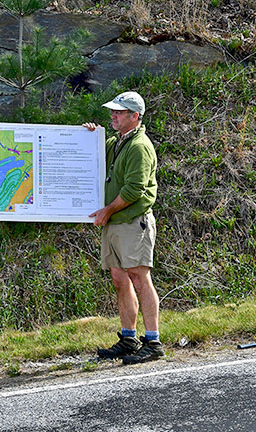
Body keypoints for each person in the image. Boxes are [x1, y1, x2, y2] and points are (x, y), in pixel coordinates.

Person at [82, 91, 163, 365]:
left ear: (135, 117)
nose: (113, 115)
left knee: (139, 278)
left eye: (119, 112)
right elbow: (93, 155)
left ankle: (152, 341)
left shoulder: (139, 146)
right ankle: (129, 338)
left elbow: (134, 189)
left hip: (131, 221)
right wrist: (91, 135)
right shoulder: (117, 142)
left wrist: (106, 210)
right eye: (113, 111)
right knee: (119, 279)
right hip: (115, 223)